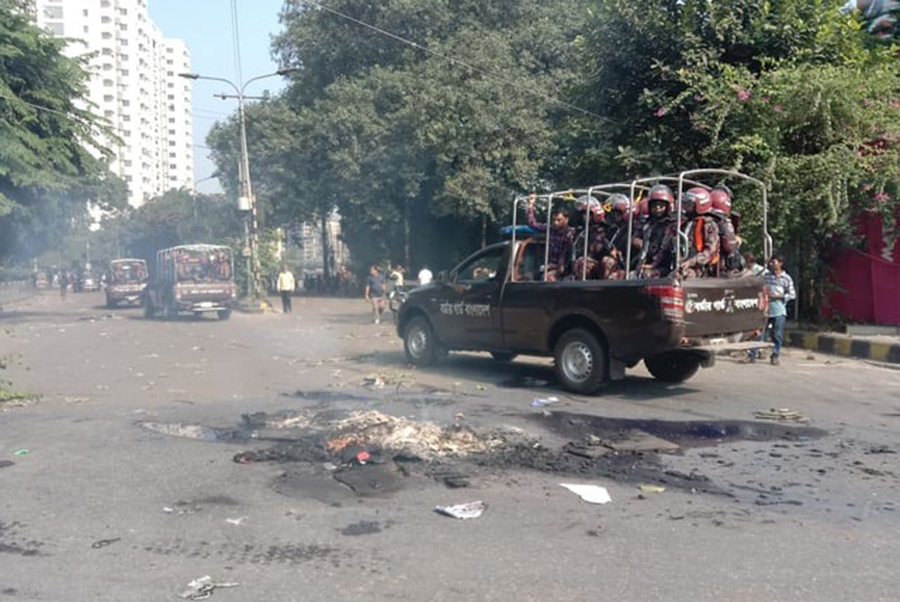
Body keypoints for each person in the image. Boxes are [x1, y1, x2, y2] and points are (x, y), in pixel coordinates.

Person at [748, 255, 796, 365]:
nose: (771, 264)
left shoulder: (786, 278)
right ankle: (752, 355)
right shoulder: (766, 276)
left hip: (778, 310)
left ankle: (775, 355)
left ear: (780, 263)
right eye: (770, 262)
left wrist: (779, 296)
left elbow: (792, 294)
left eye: (773, 262)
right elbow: (759, 288)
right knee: (759, 333)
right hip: (764, 310)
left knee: (777, 335)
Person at [526, 192, 575, 281]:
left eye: (559, 220)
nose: (555, 222)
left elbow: (570, 254)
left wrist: (561, 265)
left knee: (547, 278)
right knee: (528, 277)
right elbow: (533, 223)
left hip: (564, 267)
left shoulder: (571, 233)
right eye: (554, 220)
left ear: (566, 220)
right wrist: (530, 205)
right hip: (549, 265)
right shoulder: (550, 229)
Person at [636, 184, 678, 278]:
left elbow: (664, 248)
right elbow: (637, 235)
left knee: (646, 275)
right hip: (645, 262)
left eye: (661, 206)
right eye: (654, 206)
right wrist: (636, 239)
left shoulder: (672, 225)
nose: (657, 208)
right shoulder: (648, 224)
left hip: (664, 265)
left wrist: (653, 265)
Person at [679, 187, 720, 279]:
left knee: (681, 275)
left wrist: (691, 262)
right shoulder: (686, 223)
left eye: (689, 204)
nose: (686, 207)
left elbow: (710, 252)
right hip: (682, 263)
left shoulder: (708, 225)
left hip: (700, 268)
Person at [573, 196, 611, 280]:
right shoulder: (581, 230)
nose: (584, 217)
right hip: (580, 262)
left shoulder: (603, 229)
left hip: (598, 263)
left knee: (583, 263)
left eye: (587, 214)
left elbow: (597, 250)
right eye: (583, 214)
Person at [710, 186, 744, 276]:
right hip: (719, 269)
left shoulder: (702, 219)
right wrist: (737, 240)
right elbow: (730, 247)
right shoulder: (724, 223)